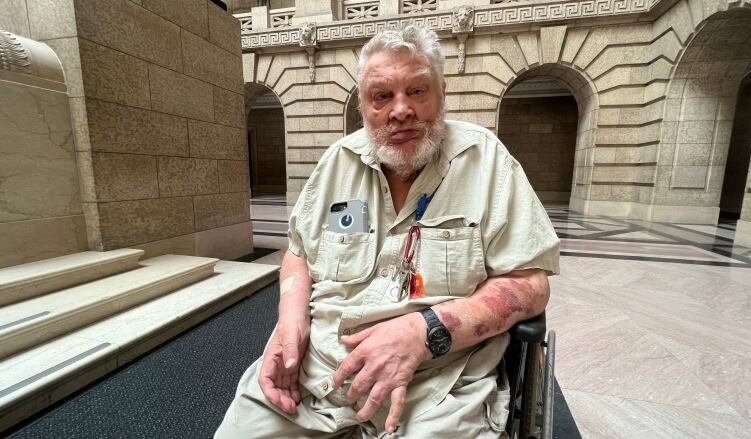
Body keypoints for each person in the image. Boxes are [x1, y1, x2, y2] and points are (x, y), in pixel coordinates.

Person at [215, 24, 559, 439]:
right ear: (363, 105)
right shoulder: (337, 164)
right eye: (382, 96)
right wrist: (290, 324)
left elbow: (529, 284)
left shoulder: (488, 163)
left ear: (441, 93)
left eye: (417, 91)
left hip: (435, 386)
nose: (401, 110)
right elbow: (299, 254)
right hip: (315, 374)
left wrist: (427, 331)